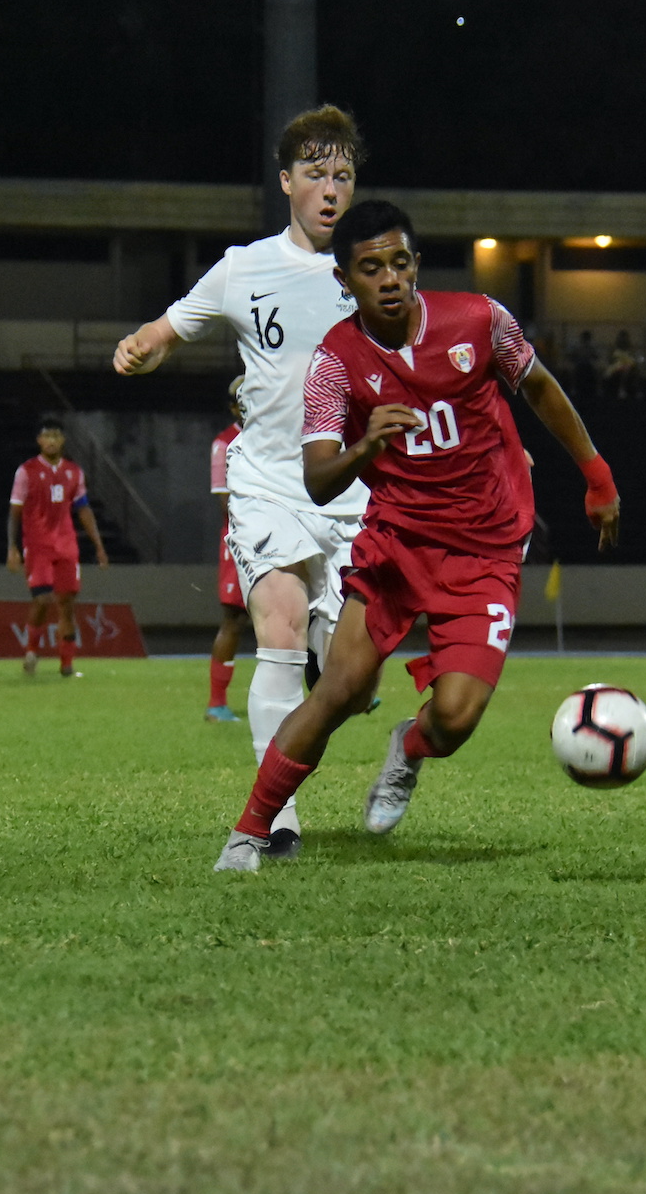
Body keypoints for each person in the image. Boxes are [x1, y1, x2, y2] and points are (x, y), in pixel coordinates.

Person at [213, 199, 621, 872]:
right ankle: (250, 832)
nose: (390, 278)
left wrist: (596, 474)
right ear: (345, 281)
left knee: (455, 718)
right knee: (339, 688)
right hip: (398, 543)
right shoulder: (335, 364)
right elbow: (318, 479)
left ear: (416, 265)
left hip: (487, 548)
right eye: (371, 268)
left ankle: (408, 748)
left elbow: (542, 387)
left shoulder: (481, 321)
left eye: (400, 262)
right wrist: (366, 446)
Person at [112, 105, 368, 859]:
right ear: (286, 180)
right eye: (316, 173)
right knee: (278, 631)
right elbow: (173, 324)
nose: (330, 188)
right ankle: (276, 819)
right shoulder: (243, 266)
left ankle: (329, 681)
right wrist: (142, 345)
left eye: (343, 175)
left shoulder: (376, 270)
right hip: (268, 483)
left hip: (353, 494)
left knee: (349, 673)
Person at [5, 415, 111, 679]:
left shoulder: (74, 472)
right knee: (42, 599)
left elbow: (83, 509)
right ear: (39, 440)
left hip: (66, 545)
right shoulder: (26, 471)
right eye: (46, 436)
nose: (51, 441)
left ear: (62, 440)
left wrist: (98, 545)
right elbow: (15, 512)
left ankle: (66, 665)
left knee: (66, 604)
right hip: (38, 545)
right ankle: (31, 650)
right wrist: (12, 547)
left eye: (56, 436)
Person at [205, 377, 248, 722]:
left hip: (280, 537)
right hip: (239, 540)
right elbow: (225, 501)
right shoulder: (224, 443)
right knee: (233, 618)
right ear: (233, 405)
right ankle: (216, 702)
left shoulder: (275, 435)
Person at [566, 330, 600, 399]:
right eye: (584, 339)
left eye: (587, 339)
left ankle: (597, 388)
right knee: (573, 371)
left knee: (597, 371)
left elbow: (596, 356)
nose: (585, 341)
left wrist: (592, 356)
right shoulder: (578, 347)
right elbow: (571, 356)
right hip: (579, 363)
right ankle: (573, 388)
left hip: (589, 364)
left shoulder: (591, 347)